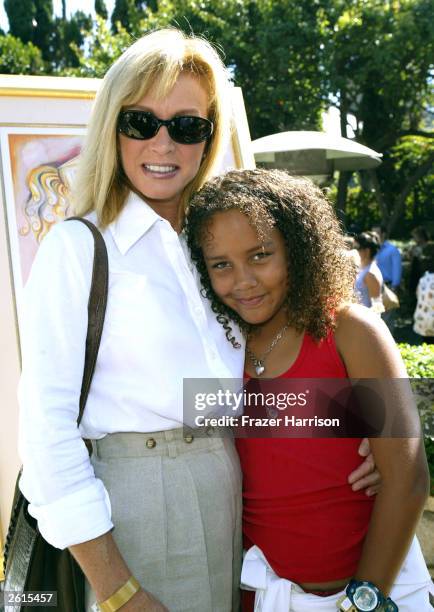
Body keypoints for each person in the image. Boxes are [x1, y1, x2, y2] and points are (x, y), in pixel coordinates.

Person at [17, 29, 378, 612]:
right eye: (141, 122)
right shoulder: (79, 247)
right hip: (135, 508)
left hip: (228, 497)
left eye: (186, 126)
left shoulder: (211, 248)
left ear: (209, 137)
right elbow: (46, 431)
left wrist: (362, 431)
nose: (163, 144)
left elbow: (220, 397)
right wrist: (118, 591)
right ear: (113, 126)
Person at [185, 168, 433, 612]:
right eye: (221, 264)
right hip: (267, 596)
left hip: (374, 594)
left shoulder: (350, 331)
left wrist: (364, 601)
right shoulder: (221, 350)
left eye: (260, 255)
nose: (242, 280)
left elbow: (409, 479)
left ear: (298, 250)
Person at [354, 231, 384, 312]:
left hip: (362, 322)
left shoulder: (371, 274)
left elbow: (377, 308)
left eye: (357, 248)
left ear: (367, 251)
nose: (355, 250)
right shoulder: (362, 268)